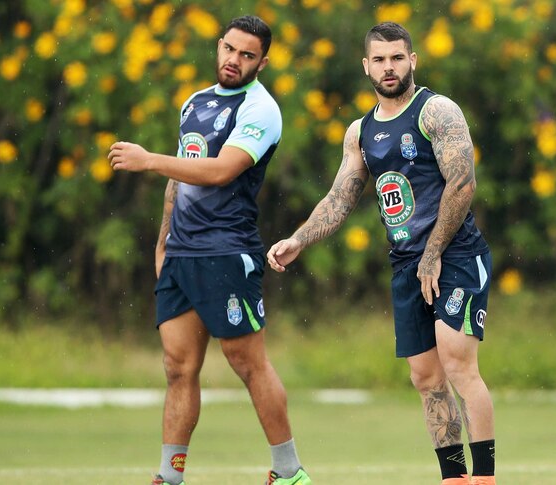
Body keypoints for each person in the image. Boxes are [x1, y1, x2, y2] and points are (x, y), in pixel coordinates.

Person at [267, 22, 496, 485]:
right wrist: (299, 239)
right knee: (426, 378)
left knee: (456, 361)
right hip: (407, 263)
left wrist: (434, 252)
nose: (388, 67)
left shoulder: (437, 111)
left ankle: (486, 479)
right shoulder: (360, 131)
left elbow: (463, 182)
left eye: (397, 57)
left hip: (454, 252)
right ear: (366, 66)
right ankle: (454, 479)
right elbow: (340, 196)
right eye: (379, 59)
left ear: (413, 60)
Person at [108, 15, 311, 485]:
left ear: (263, 61)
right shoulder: (194, 103)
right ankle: (169, 477)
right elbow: (182, 178)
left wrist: (148, 160)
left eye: (247, 55)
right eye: (230, 49)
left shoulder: (261, 110)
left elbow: (221, 171)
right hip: (182, 254)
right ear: (218, 46)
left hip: (227, 251)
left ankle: (289, 473)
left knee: (247, 363)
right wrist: (163, 243)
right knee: (178, 367)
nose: (235, 61)